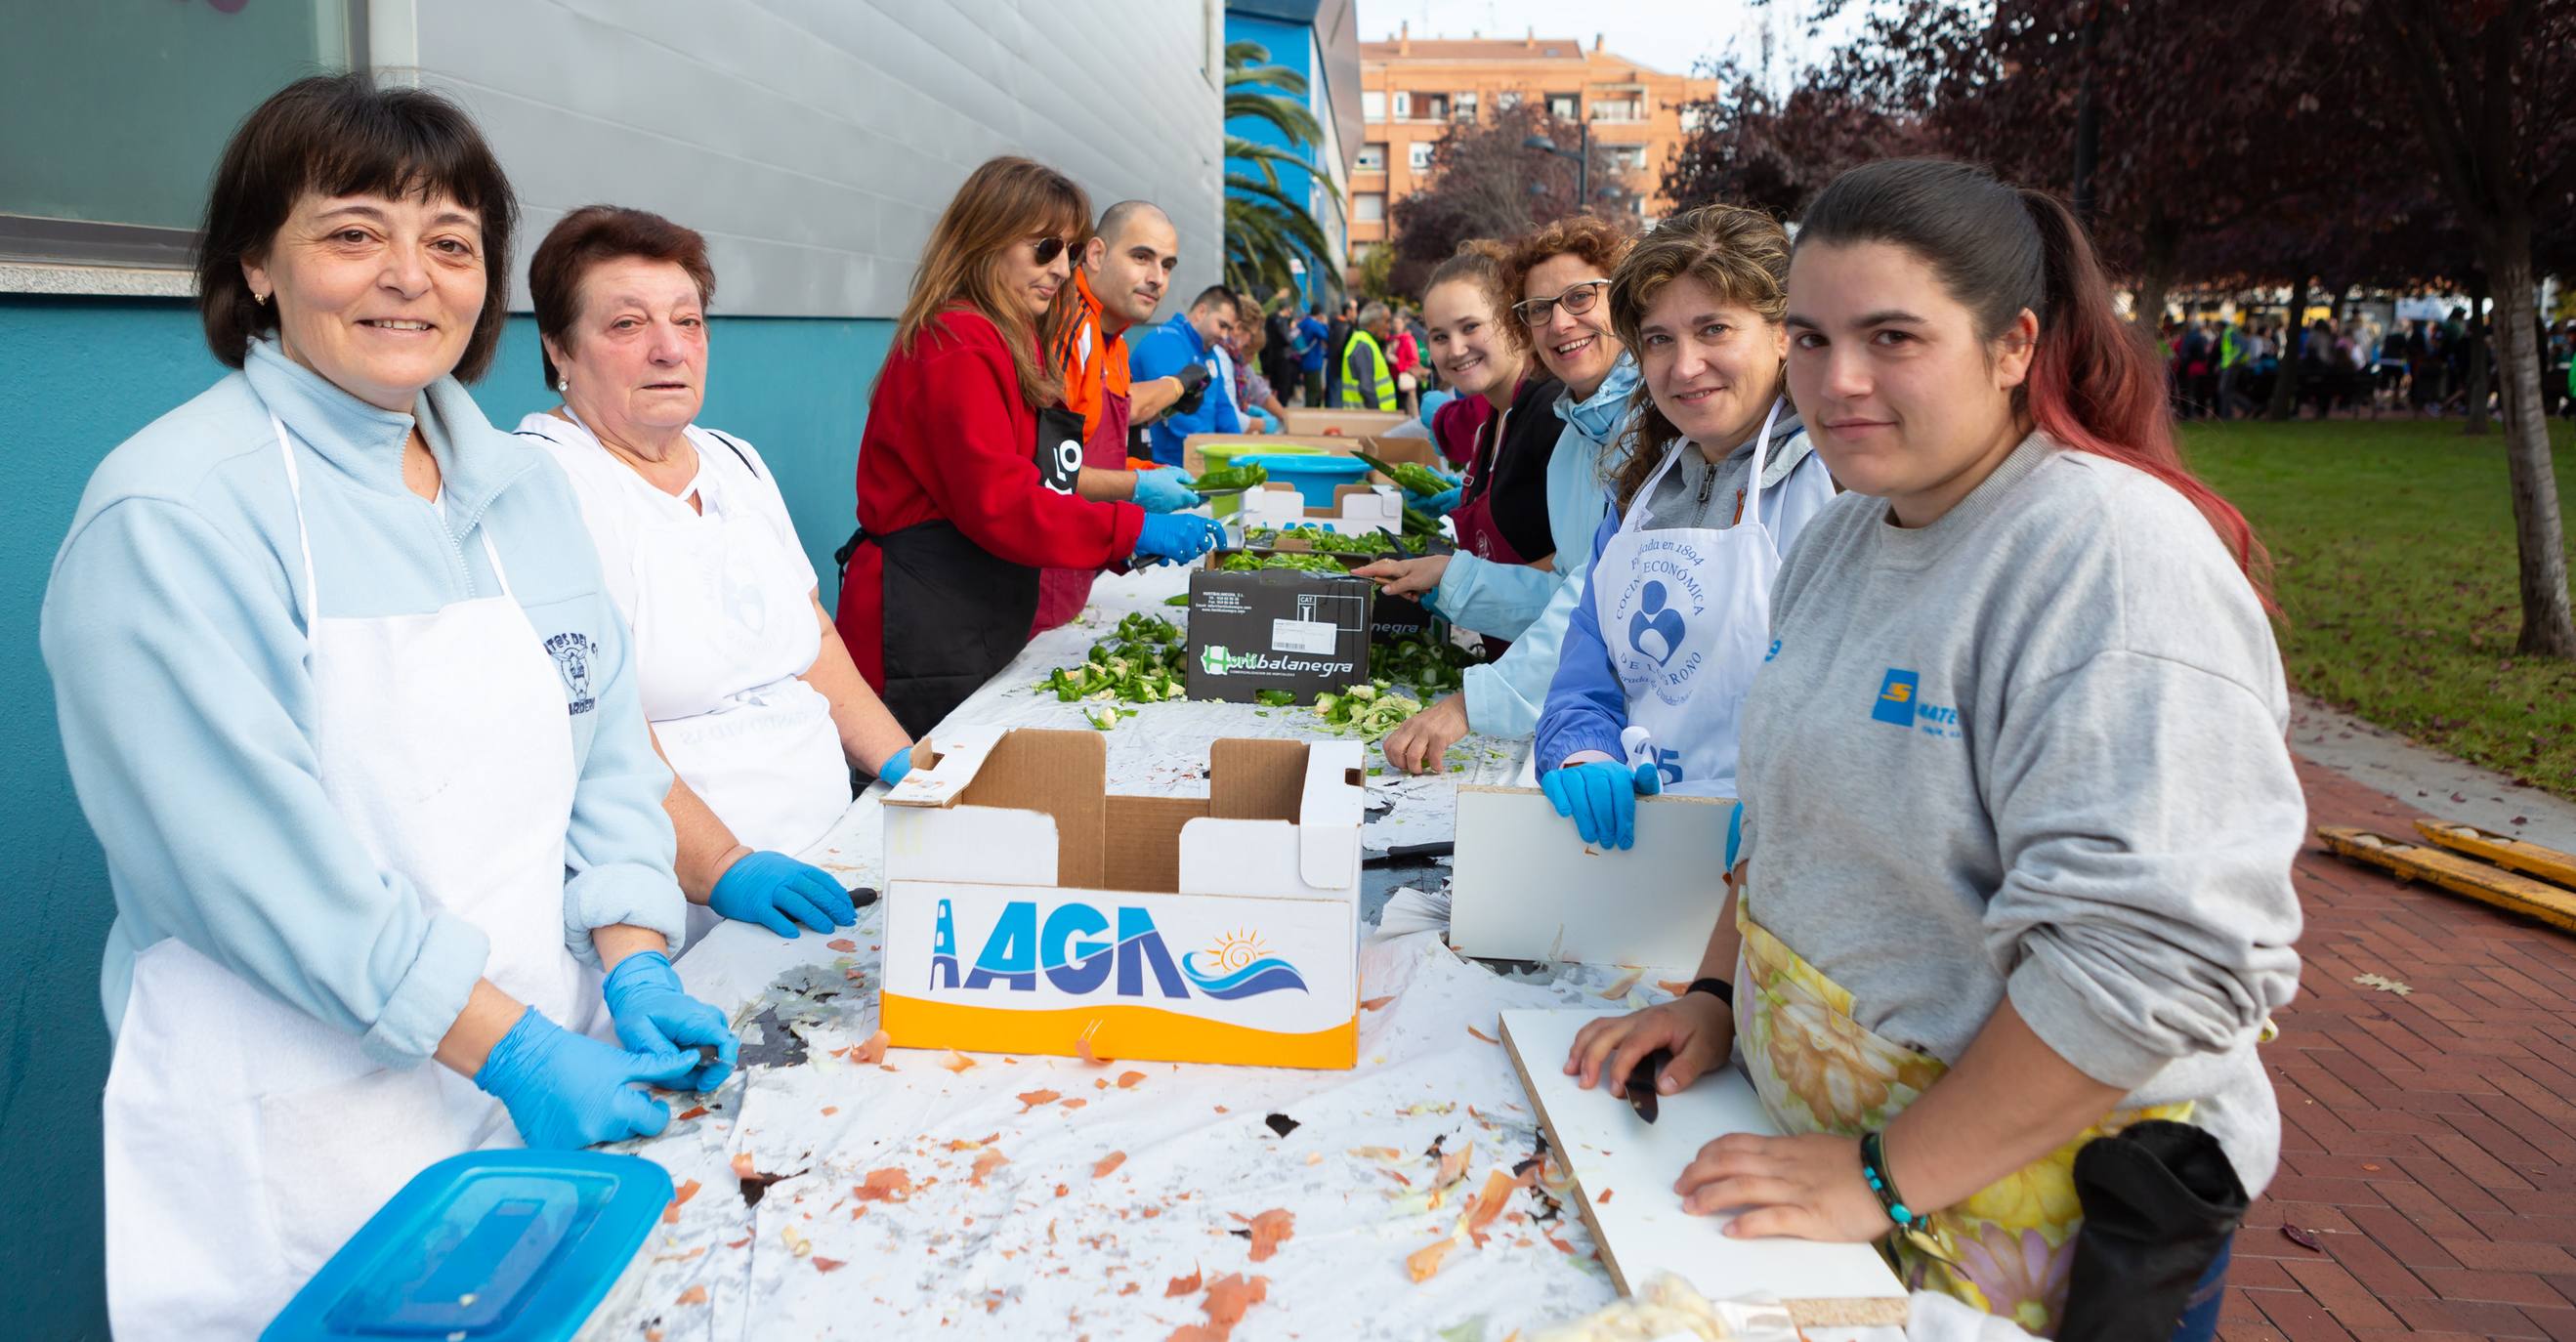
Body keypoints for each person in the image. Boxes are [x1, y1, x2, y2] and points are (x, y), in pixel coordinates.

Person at [43, 75, 736, 1338]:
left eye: (452, 242)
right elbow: (256, 868)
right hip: (304, 1122)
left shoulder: (519, 489)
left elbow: (603, 760)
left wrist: (635, 956)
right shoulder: (174, 512)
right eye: (355, 231)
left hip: (535, 1078)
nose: (409, 276)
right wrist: (517, 1048)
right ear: (257, 261)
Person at [1565, 159, 2301, 1341]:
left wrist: (1881, 1174)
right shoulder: (1848, 534)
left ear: (2015, 344)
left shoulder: (2108, 560)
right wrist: (1716, 997)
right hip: (1825, 1159)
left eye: (1892, 336)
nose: (1836, 382)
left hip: (2034, 1205)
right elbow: (1787, 813)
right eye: (1808, 336)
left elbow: (2151, 966)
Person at [513, 206, 910, 944]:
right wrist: (726, 866)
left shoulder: (733, 458)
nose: (670, 350)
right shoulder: (539, 485)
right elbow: (591, 721)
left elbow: (812, 635)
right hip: (683, 898)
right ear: (558, 350)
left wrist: (907, 766)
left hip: (831, 852)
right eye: (627, 325)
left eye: (688, 321)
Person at [834, 157, 1225, 735]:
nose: (1063, 270)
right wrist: (1129, 526)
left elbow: (1049, 473)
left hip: (965, 612)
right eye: (1047, 249)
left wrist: (1127, 517)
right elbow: (1004, 501)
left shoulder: (1005, 338)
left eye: (1068, 252)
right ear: (987, 239)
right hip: (920, 626)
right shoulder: (959, 343)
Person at [1533, 204, 1836, 849]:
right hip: (1641, 845)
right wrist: (1582, 752)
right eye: (1659, 339)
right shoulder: (1635, 499)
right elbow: (1584, 679)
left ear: (1784, 332)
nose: (1684, 366)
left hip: (1789, 853)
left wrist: (1798, 804)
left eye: (1714, 329)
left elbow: (1867, 706)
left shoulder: (1841, 488)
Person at [1355, 216, 1640, 774]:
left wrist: (1472, 704)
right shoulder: (1575, 440)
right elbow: (1571, 593)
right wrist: (1452, 576)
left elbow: (1603, 602)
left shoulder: (1647, 427)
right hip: (1590, 713)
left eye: (1580, 297)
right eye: (1539, 309)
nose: (1560, 322)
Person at [1036, 199, 1202, 633]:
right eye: (1141, 257)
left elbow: (1090, 447)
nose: (1157, 278)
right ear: (1094, 254)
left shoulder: (1115, 342)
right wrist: (1139, 489)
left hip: (1074, 574)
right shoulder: (1068, 329)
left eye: (1167, 266)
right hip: (1039, 580)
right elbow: (1050, 475)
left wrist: (1146, 473)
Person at [1419, 238, 1564, 643]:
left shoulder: (1552, 412)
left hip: (1548, 672)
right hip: (1506, 656)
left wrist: (1460, 582)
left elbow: (1581, 569)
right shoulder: (1492, 420)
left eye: (1470, 327)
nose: (1456, 349)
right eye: (1439, 336)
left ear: (1511, 321)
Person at [1131, 285, 1255, 466]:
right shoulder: (1166, 341)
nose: (1224, 335)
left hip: (1196, 458)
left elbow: (1223, 407)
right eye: (1222, 326)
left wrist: (1237, 452)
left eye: (1229, 329)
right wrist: (1216, 454)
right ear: (1201, 312)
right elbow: (1180, 418)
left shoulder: (1210, 352)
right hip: (1161, 466)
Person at [1341, 301, 1400, 410]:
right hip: (1371, 421)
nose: (1389, 326)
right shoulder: (1363, 346)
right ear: (1373, 323)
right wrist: (1378, 416)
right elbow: (1367, 390)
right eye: (1386, 321)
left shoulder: (1365, 342)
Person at [1295, 302, 1330, 406]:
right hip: (1314, 362)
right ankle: (1311, 415)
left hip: (1304, 360)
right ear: (1320, 314)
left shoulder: (1303, 322)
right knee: (1314, 393)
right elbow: (1326, 336)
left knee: (1309, 390)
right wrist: (1324, 323)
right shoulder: (1314, 325)